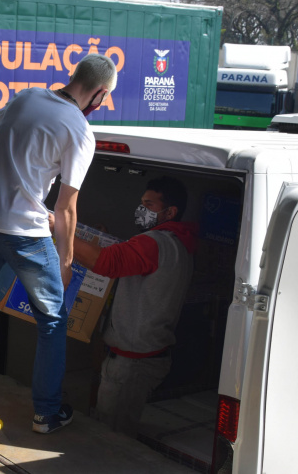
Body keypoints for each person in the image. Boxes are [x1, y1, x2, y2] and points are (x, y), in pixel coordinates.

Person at [0, 53, 117, 434]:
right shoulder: (79, 130)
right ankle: (46, 413)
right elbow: (66, 208)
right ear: (99, 93)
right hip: (25, 234)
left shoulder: (28, 95)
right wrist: (65, 262)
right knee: (52, 319)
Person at [73, 175, 197, 438]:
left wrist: (58, 229)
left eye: (149, 205)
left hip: (132, 364)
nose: (141, 209)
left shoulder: (154, 243)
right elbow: (125, 258)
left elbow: (106, 263)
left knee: (112, 437)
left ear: (170, 212)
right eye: (142, 203)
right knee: (117, 426)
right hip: (143, 357)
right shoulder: (176, 243)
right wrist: (99, 240)